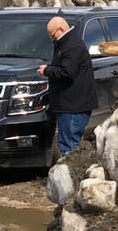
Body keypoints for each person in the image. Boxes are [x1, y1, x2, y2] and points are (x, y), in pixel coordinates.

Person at [36, 15, 97, 156]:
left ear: (61, 29)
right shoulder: (66, 43)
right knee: (68, 143)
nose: (52, 39)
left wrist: (47, 70)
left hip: (73, 107)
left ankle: (70, 176)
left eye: (52, 35)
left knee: (69, 147)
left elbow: (67, 72)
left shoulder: (71, 46)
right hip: (70, 104)